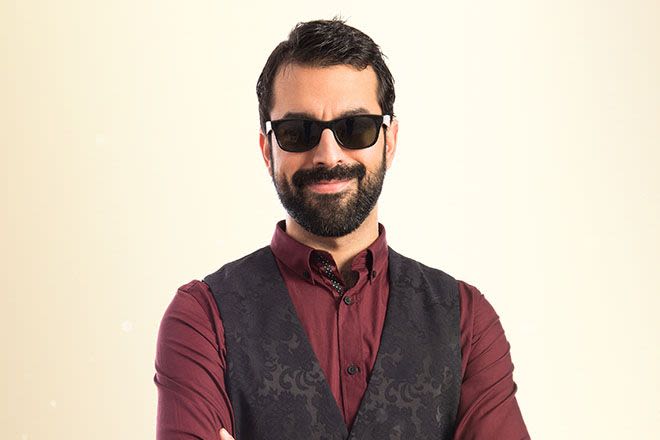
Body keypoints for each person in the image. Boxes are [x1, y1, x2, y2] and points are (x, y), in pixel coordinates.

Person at [154, 18, 530, 440]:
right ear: (267, 150)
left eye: (356, 128)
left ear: (389, 141)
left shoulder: (465, 320)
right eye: (298, 132)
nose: (328, 155)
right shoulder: (203, 319)